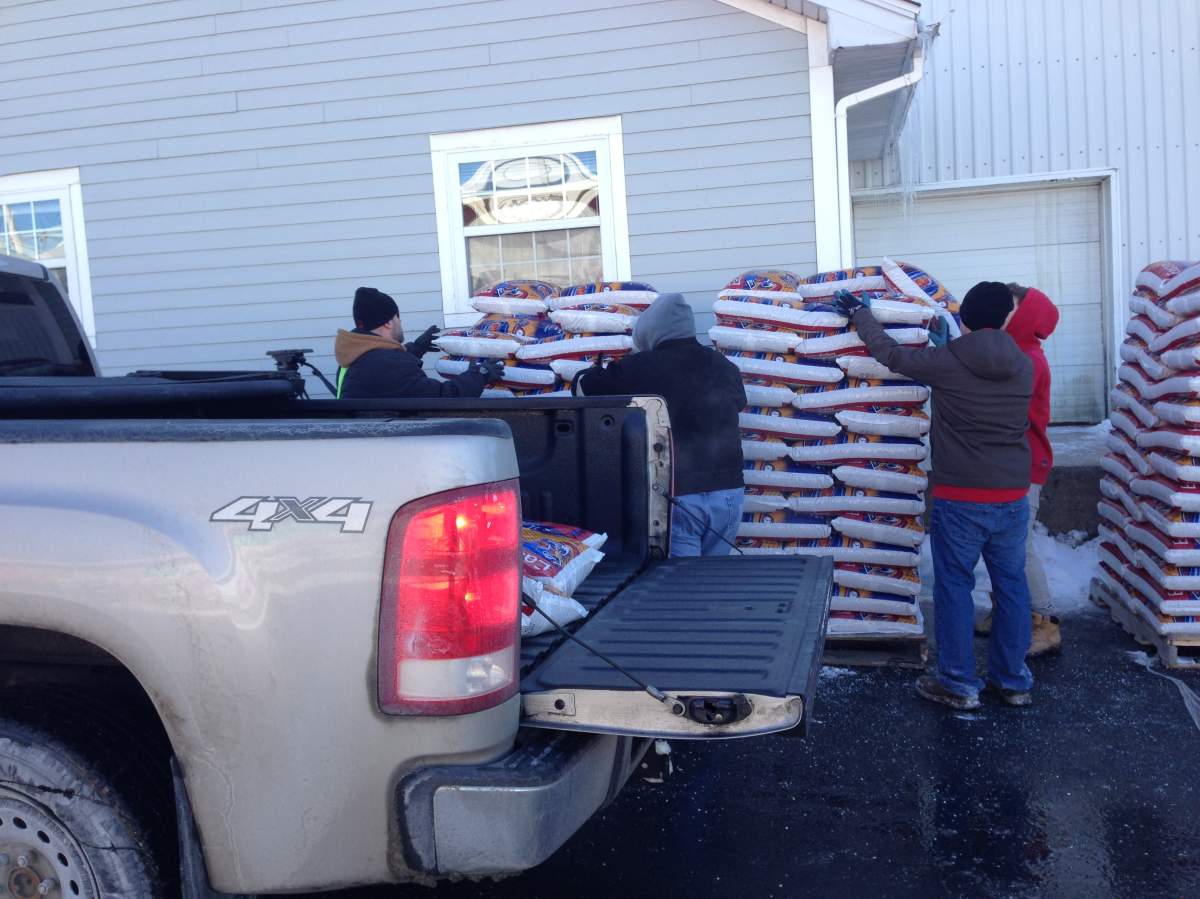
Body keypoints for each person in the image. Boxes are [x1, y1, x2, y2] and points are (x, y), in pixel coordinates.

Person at [835, 283, 1034, 710]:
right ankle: (1013, 680)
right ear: (1004, 319)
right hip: (1013, 495)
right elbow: (981, 367)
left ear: (964, 319)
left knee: (956, 586)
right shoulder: (1024, 364)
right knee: (1012, 585)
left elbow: (892, 354)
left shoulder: (948, 361)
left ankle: (959, 683)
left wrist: (860, 315)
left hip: (962, 496)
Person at [572, 292, 747, 557]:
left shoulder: (636, 369)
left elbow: (582, 390)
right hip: (729, 492)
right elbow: (739, 402)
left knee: (681, 586)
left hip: (681, 497)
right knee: (714, 579)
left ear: (651, 331)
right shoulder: (724, 366)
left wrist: (597, 369)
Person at [976, 283, 1062, 655]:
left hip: (1024, 465)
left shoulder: (1027, 359)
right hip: (1004, 463)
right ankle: (1009, 611)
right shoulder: (1012, 352)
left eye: (1008, 308)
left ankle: (1045, 621)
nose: (1001, 314)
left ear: (1025, 315)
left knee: (1019, 547)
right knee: (999, 544)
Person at [334, 286, 501, 399]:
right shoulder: (388, 365)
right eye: (397, 317)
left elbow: (386, 373)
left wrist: (417, 348)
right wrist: (480, 376)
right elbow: (442, 398)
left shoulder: (354, 357)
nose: (400, 322)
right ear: (388, 322)